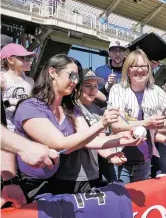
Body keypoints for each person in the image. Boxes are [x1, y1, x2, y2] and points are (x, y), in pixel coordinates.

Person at [12, 54, 145, 202]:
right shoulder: (31, 106)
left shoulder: (70, 109)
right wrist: (102, 124)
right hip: (27, 185)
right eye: (72, 75)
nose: (75, 81)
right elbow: (61, 144)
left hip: (51, 182)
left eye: (77, 78)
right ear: (52, 72)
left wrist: (121, 140)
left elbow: (87, 141)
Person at [108, 49, 166, 183]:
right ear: (127, 70)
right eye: (135, 66)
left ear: (149, 69)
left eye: (144, 66)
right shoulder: (117, 90)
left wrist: (156, 124)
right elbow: (116, 126)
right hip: (120, 159)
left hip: (145, 161)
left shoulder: (156, 91)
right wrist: (145, 123)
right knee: (121, 202)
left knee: (140, 202)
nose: (140, 70)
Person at [78, 68, 126, 182]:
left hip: (93, 170)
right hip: (75, 174)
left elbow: (101, 139)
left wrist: (110, 155)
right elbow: (85, 140)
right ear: (78, 87)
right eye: (88, 85)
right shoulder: (73, 108)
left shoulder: (98, 111)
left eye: (95, 86)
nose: (93, 90)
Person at [0, 43, 37, 131]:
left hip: (23, 129)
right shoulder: (3, 79)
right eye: (25, 58)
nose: (30, 61)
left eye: (30, 58)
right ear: (10, 59)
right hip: (5, 128)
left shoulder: (30, 81)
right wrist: (14, 102)